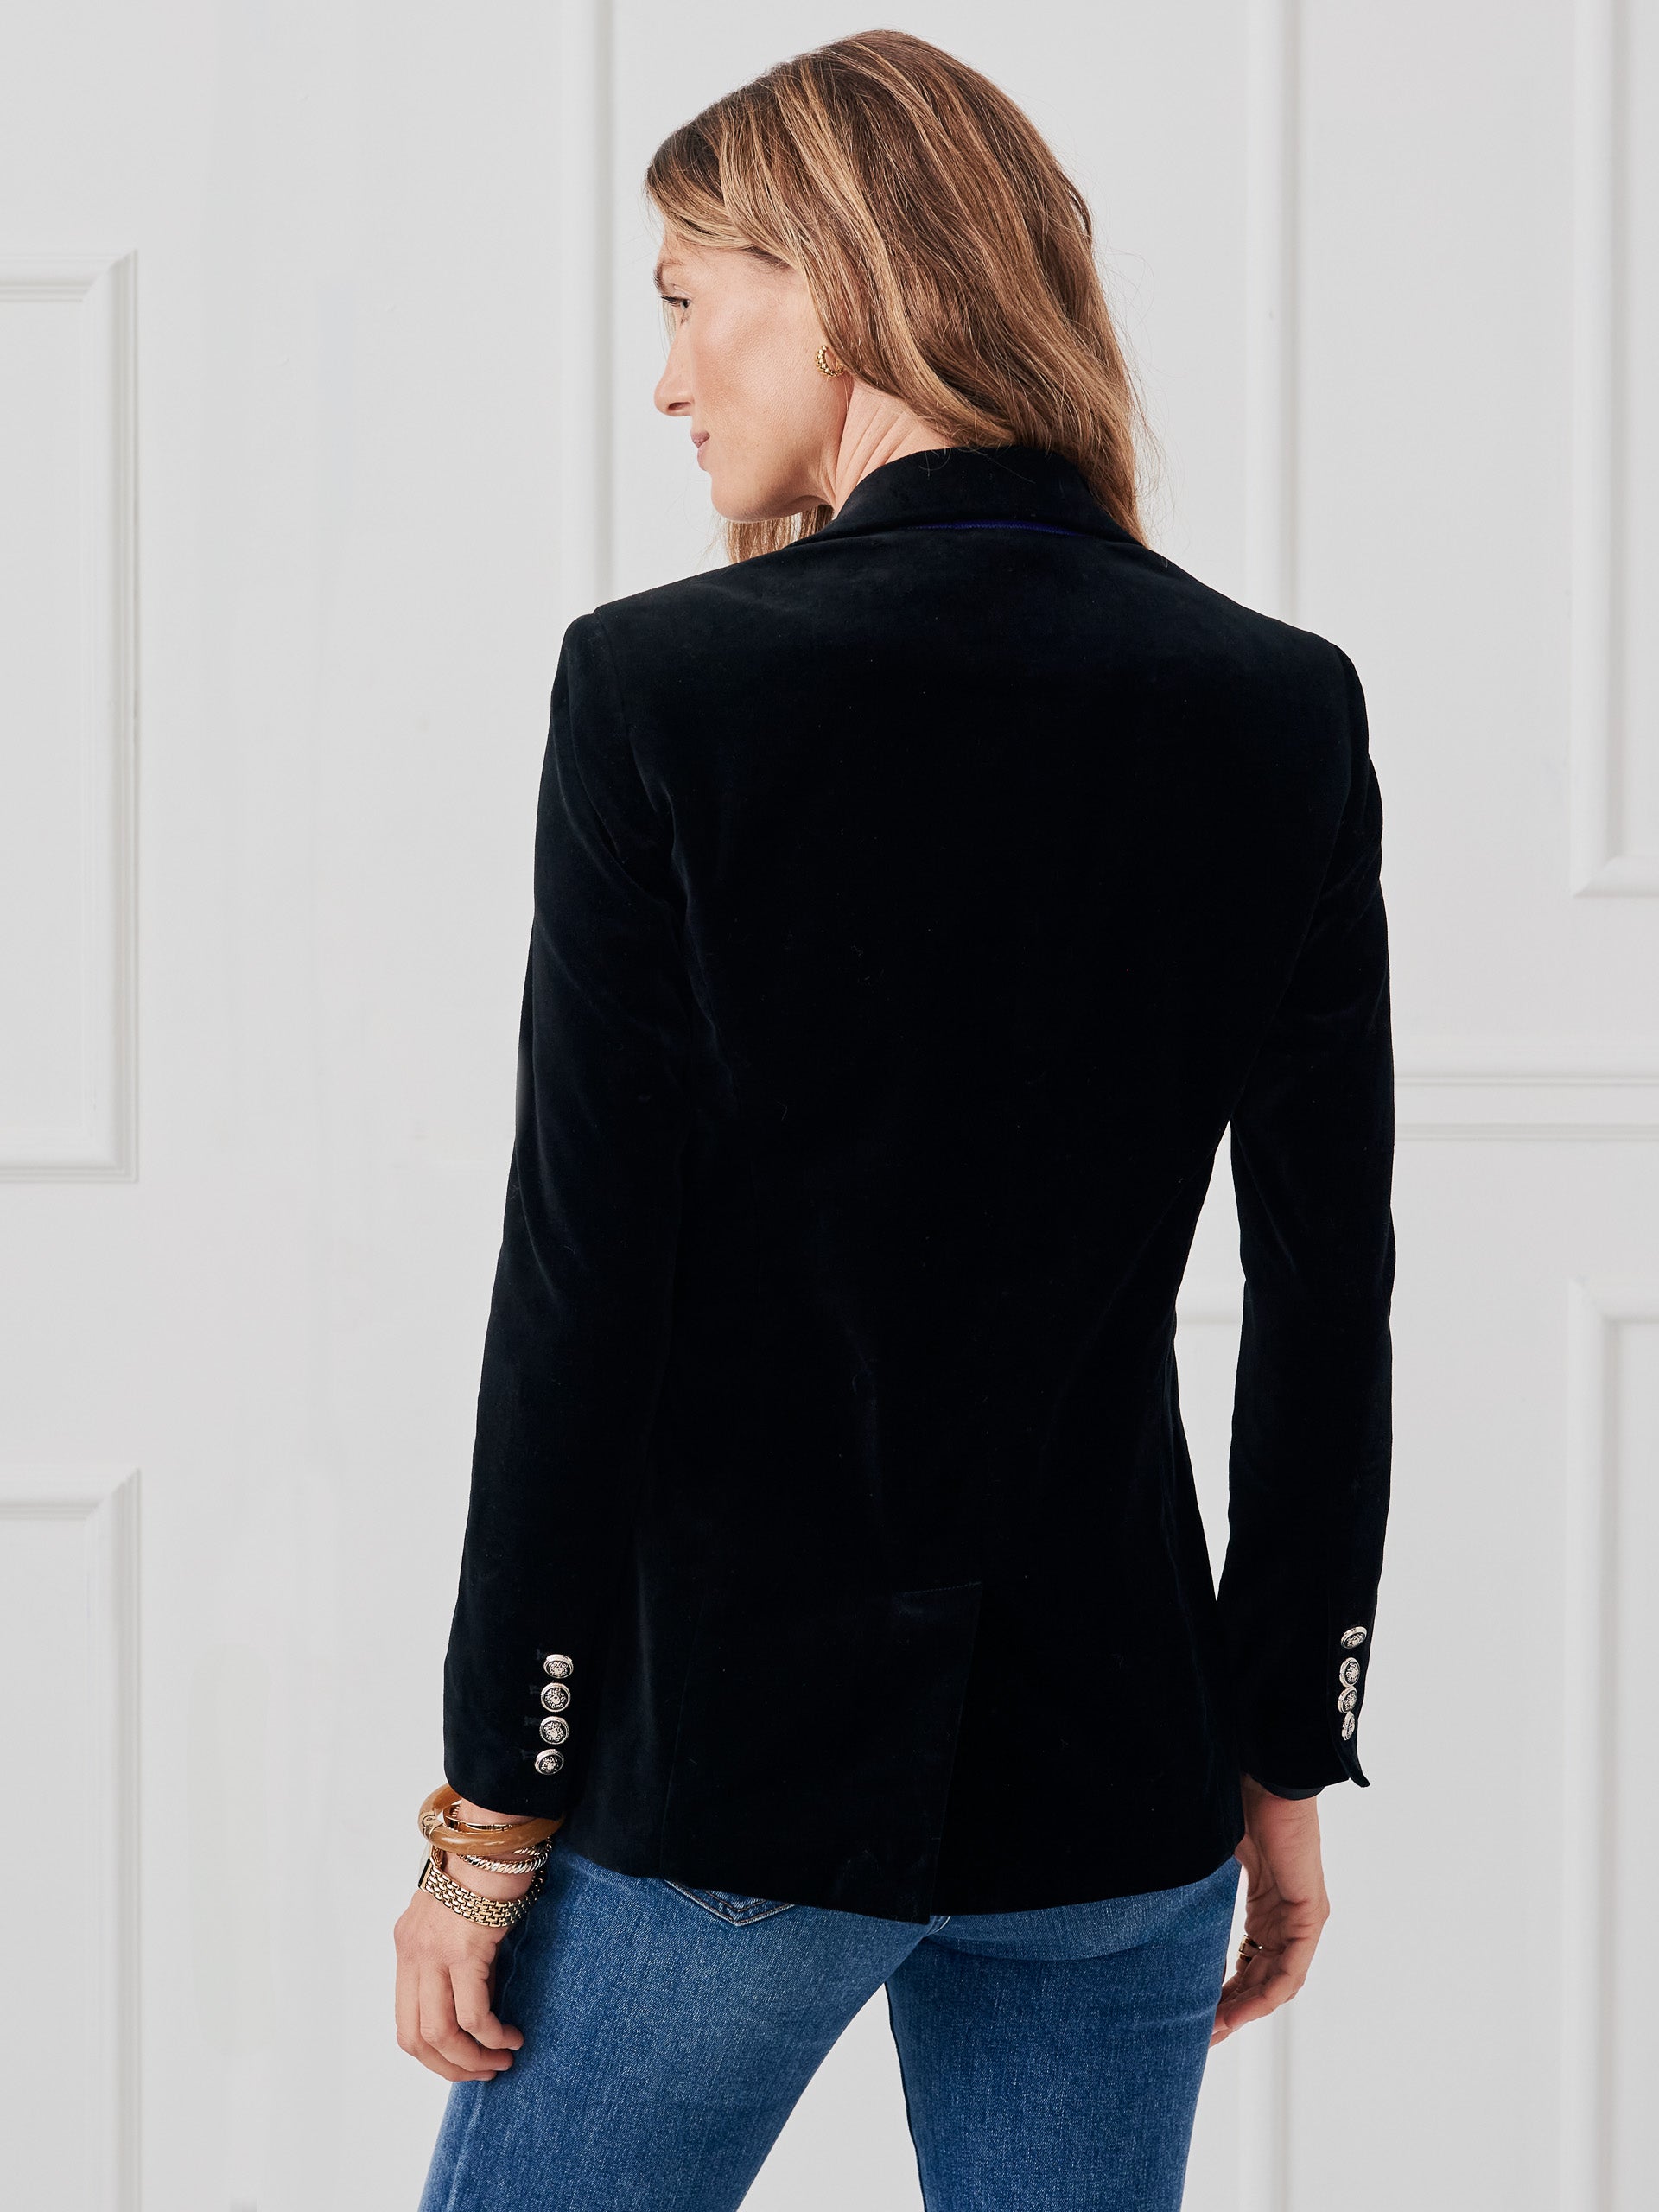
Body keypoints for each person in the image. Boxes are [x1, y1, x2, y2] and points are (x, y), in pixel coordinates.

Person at [395, 29, 1395, 2212]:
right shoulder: (1277, 706)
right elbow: (1328, 1293)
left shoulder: (667, 686)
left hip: (736, 1780)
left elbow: (584, 1284)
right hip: (1116, 1784)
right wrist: (1281, 1752)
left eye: (688, 296)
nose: (667, 379)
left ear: (841, 282)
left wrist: (490, 1810)